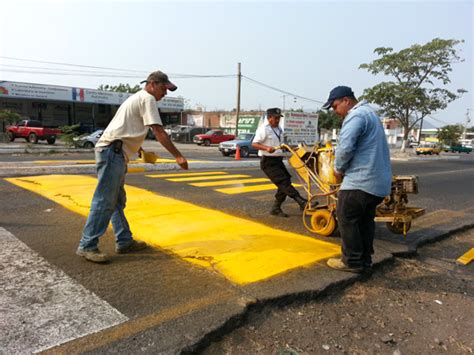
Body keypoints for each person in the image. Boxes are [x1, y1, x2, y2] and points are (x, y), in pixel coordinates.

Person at [77, 70, 188, 263]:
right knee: (104, 201)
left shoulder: (137, 98)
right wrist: (178, 155)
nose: (165, 94)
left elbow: (127, 128)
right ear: (152, 84)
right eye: (164, 89)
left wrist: (139, 148)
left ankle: (124, 241)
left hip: (115, 152)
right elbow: (158, 130)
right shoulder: (148, 98)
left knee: (116, 202)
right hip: (112, 153)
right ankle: (87, 245)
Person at [322, 86, 392, 273]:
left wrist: (337, 169)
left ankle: (351, 262)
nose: (335, 112)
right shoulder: (370, 114)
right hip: (377, 182)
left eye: (335, 106)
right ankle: (365, 260)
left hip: (361, 180)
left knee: (346, 217)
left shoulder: (356, 116)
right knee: (364, 221)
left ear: (346, 100)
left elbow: (345, 147)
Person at [252, 107, 307, 217]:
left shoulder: (279, 129)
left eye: (279, 118)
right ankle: (301, 201)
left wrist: (294, 148)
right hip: (268, 162)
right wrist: (267, 148)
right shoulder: (263, 129)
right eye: (276, 118)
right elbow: (254, 144)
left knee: (285, 182)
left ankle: (276, 208)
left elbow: (283, 145)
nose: (278, 120)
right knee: (283, 183)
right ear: (269, 118)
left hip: (278, 160)